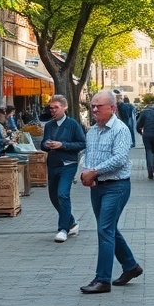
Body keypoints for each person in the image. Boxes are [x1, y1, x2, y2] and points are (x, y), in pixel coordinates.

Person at [78, 90, 143, 293]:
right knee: (109, 229)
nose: (94, 109)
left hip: (116, 186)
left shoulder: (120, 130)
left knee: (104, 229)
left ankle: (102, 280)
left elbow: (120, 159)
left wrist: (94, 172)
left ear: (112, 108)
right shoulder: (92, 131)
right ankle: (131, 266)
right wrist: (86, 173)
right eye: (93, 106)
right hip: (97, 186)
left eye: (99, 106)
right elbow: (88, 156)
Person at [40, 94, 87, 243]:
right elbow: (42, 144)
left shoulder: (73, 124)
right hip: (53, 164)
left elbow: (82, 143)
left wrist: (63, 145)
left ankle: (63, 229)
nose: (53, 110)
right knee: (54, 197)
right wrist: (46, 144)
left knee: (62, 194)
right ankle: (72, 222)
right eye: (51, 108)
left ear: (64, 107)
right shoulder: (49, 125)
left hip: (68, 164)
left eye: (56, 107)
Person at [135, 93, 154, 179]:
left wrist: (140, 132)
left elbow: (138, 124)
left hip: (147, 134)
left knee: (148, 151)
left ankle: (149, 171)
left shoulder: (144, 112)